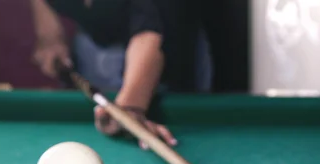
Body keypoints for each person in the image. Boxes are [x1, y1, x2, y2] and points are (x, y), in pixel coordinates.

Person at [29, 0, 248, 149]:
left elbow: (149, 33)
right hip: (97, 43)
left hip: (169, 39)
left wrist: (129, 108)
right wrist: (51, 37)